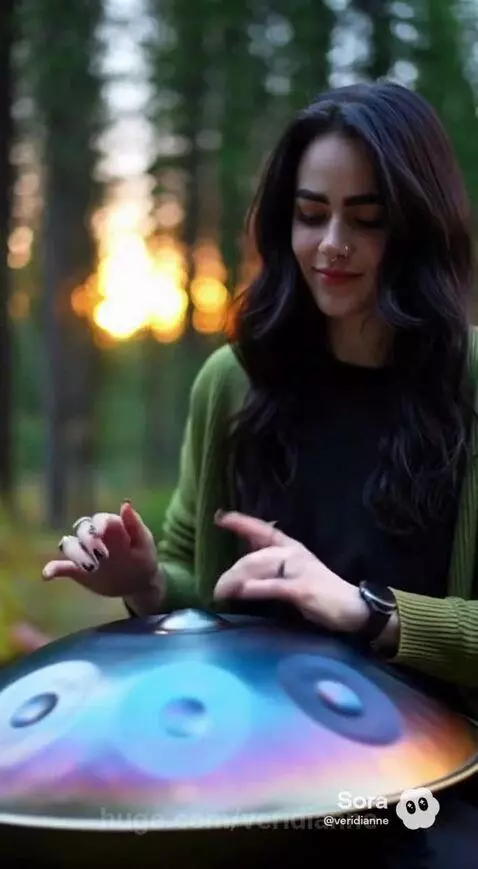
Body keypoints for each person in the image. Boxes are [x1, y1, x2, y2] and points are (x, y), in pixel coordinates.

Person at [42, 80, 478, 866]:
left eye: (366, 220)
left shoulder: (469, 385)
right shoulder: (235, 381)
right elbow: (193, 580)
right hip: (248, 778)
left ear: (416, 229)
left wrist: (368, 610)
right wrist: (143, 579)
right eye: (312, 215)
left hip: (434, 788)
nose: (331, 244)